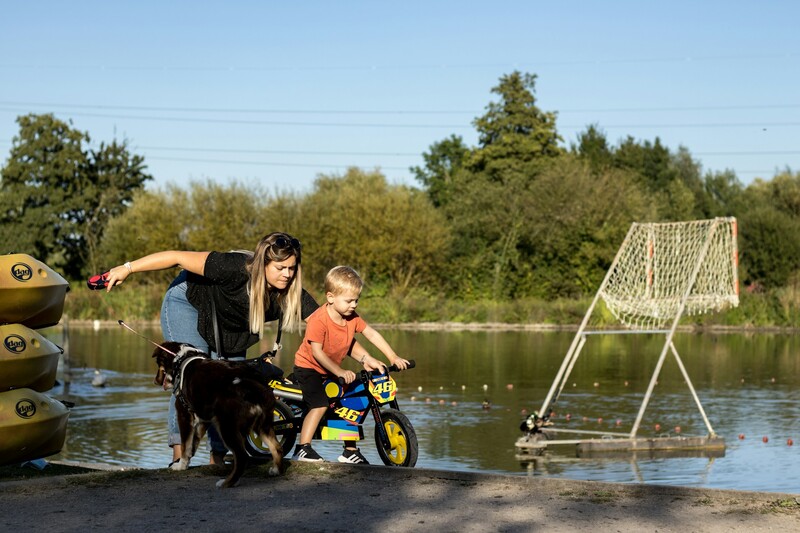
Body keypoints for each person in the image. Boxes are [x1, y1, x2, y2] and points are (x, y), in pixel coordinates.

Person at [102, 232, 317, 466]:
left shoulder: (290, 291)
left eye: (292, 268)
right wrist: (127, 269)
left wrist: (363, 349)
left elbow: (328, 322)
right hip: (189, 304)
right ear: (262, 264)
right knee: (193, 378)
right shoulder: (233, 268)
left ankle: (218, 460)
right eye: (280, 268)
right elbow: (176, 257)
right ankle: (179, 462)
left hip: (229, 328)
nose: (287, 274)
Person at [292, 265, 409, 464]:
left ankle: (350, 451)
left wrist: (392, 357)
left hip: (331, 370)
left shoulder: (351, 318)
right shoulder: (319, 320)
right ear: (330, 297)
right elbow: (317, 352)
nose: (353, 305)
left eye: (356, 300)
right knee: (320, 405)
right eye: (348, 300)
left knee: (350, 403)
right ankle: (303, 448)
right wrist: (339, 371)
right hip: (309, 368)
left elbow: (371, 334)